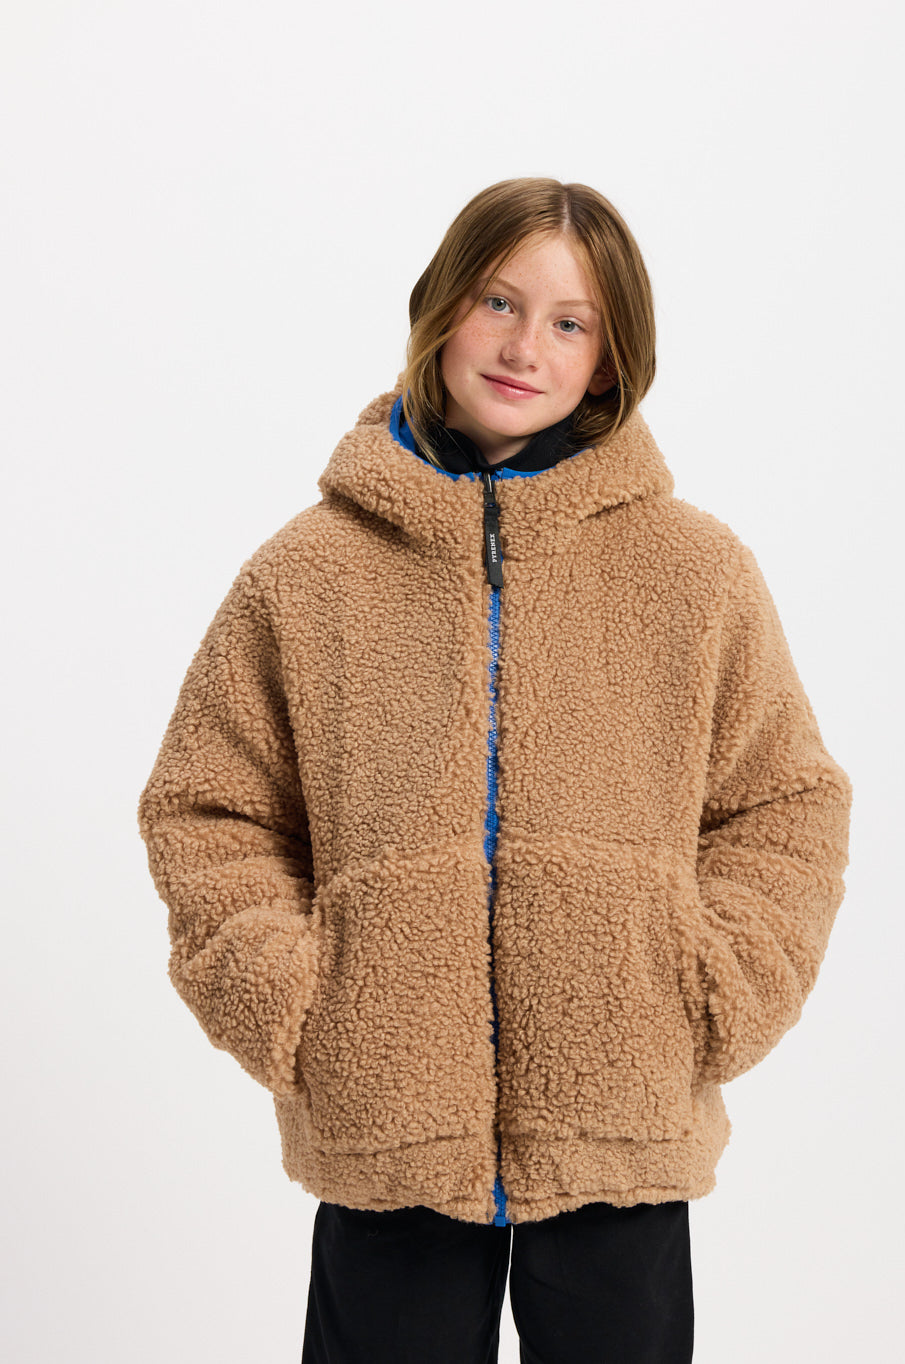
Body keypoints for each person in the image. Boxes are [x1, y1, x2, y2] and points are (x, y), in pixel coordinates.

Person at [137, 178, 852, 1363]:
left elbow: (782, 801)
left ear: (609, 360)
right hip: (386, 1113)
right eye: (498, 302)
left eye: (570, 322)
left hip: (619, 1102)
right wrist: (297, 1005)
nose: (525, 347)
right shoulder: (307, 574)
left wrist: (713, 986)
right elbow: (210, 807)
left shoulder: (694, 571)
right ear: (439, 309)